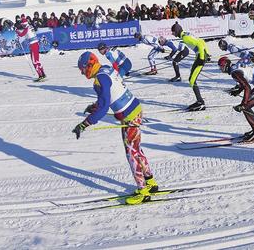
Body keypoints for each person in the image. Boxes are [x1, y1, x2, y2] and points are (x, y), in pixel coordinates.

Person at [73, 51, 158, 205]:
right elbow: (109, 96)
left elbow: (104, 106)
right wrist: (94, 107)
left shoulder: (101, 78)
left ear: (89, 65)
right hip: (135, 109)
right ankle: (150, 181)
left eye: (82, 69)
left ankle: (143, 191)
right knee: (136, 149)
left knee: (131, 153)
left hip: (129, 116)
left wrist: (85, 123)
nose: (82, 72)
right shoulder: (105, 69)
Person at [218, 56, 254, 142]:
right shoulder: (234, 68)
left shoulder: (234, 73)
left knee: (246, 107)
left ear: (226, 65)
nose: (220, 69)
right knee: (246, 106)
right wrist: (238, 91)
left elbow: (247, 87)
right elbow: (245, 81)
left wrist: (243, 104)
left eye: (221, 66)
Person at [172, 23, 208, 111]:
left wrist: (202, 58)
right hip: (200, 56)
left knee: (192, 80)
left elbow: (199, 44)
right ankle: (200, 101)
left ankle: (200, 102)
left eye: (173, 32)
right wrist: (207, 53)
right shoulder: (186, 34)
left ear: (176, 31)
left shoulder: (185, 37)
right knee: (191, 79)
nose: (173, 34)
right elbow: (201, 41)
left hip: (200, 57)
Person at [14, 17, 46, 81]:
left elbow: (22, 34)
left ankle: (40, 75)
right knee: (37, 60)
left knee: (34, 61)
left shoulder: (27, 28)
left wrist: (16, 31)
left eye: (22, 24)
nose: (22, 25)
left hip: (33, 45)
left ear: (24, 24)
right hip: (36, 44)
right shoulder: (30, 26)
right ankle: (43, 73)